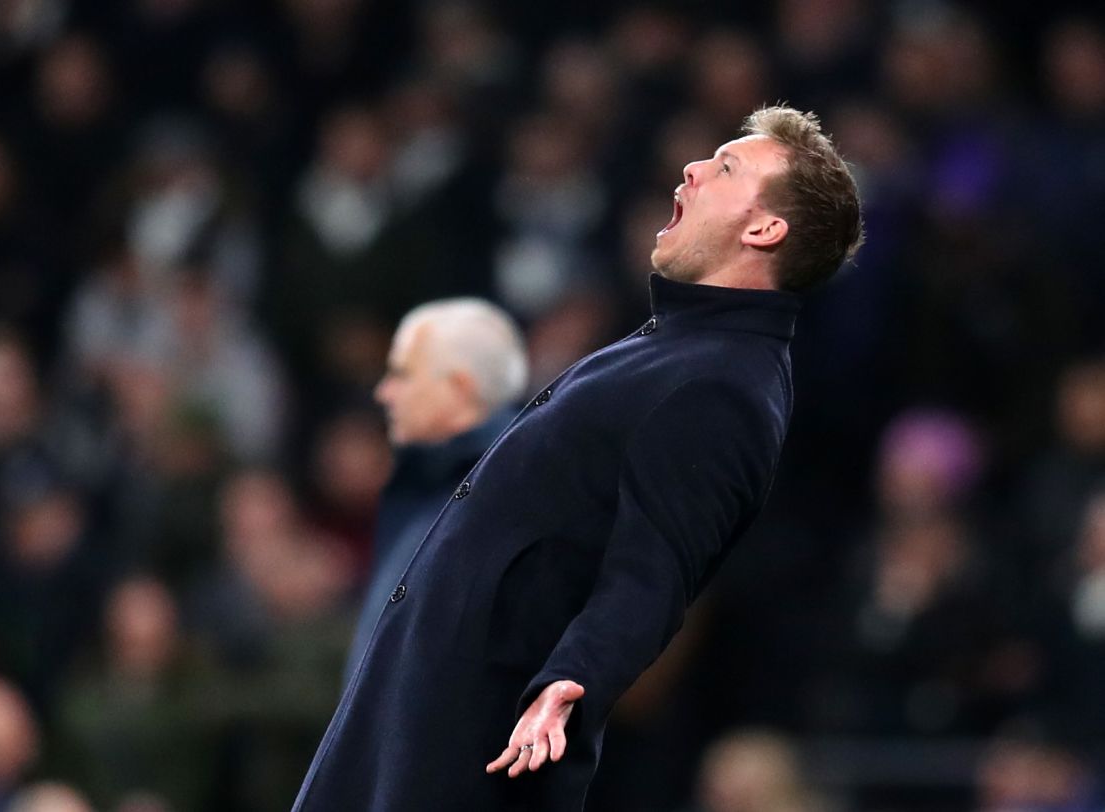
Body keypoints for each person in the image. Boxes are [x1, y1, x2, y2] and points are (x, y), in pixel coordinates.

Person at [292, 104, 863, 811]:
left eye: (726, 167)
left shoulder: (725, 386)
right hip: (423, 718)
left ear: (764, 228)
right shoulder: (678, 348)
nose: (691, 169)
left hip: (479, 749)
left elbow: (652, 575)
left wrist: (572, 679)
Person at [342, 298, 529, 681]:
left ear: (459, 388)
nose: (385, 392)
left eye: (403, 375)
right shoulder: (431, 488)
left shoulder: (491, 502)